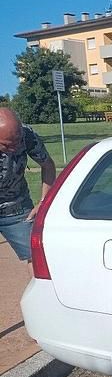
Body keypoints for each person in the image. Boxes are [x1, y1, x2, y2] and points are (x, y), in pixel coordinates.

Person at [0, 108, 56, 263]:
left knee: (37, 256)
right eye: (6, 146)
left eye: (16, 143)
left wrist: (44, 202)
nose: (13, 149)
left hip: (16, 207)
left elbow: (48, 165)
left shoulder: (27, 135)